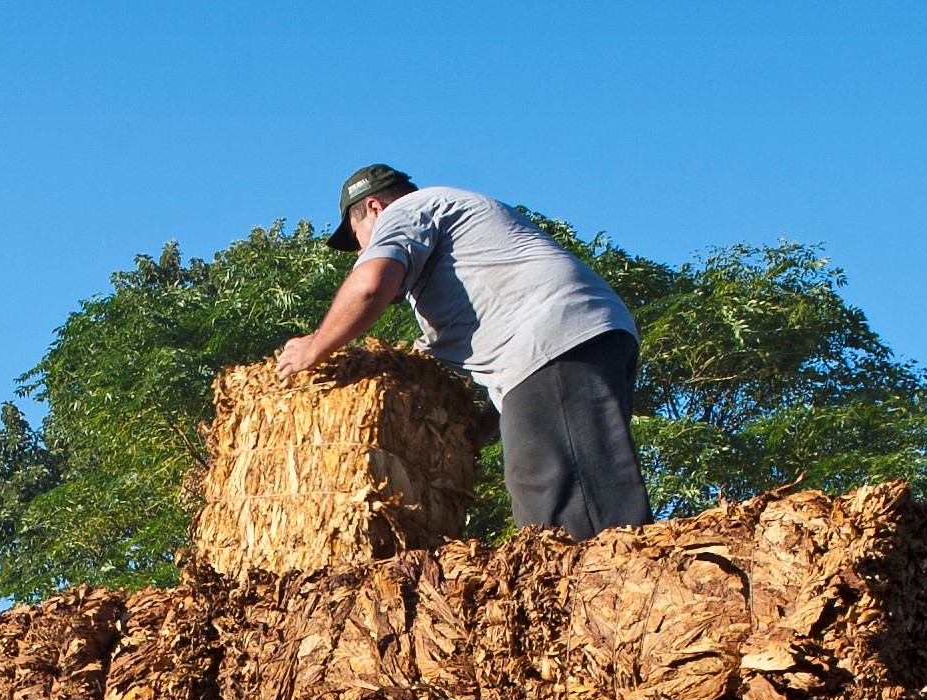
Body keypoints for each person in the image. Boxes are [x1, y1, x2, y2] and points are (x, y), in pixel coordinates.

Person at [275, 164, 653, 540]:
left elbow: (370, 286)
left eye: (358, 238)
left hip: (555, 340)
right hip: (568, 342)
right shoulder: (454, 230)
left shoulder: (407, 210)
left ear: (373, 208)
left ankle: (603, 591)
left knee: (564, 509)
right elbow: (516, 365)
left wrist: (315, 346)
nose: (361, 250)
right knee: (546, 483)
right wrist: (477, 427)